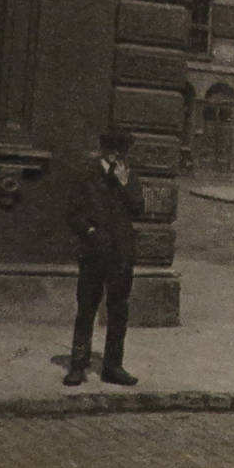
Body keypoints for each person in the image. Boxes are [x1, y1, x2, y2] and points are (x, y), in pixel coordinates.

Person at [62, 128, 146, 387]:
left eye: (122, 152)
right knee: (86, 309)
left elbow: (138, 209)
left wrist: (124, 183)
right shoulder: (86, 176)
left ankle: (113, 366)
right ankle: (78, 365)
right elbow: (73, 213)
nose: (118, 157)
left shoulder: (128, 176)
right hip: (93, 253)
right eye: (114, 151)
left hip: (121, 253)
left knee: (118, 310)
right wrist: (90, 232)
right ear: (104, 151)